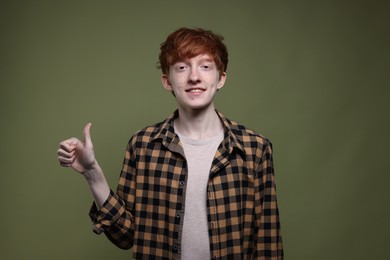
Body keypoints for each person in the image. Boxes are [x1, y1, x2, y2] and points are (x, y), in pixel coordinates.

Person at [57, 27, 283, 259]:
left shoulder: (254, 148)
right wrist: (92, 173)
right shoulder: (143, 145)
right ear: (167, 81)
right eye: (182, 67)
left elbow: (268, 242)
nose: (194, 76)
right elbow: (124, 236)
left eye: (205, 66)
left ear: (221, 78)